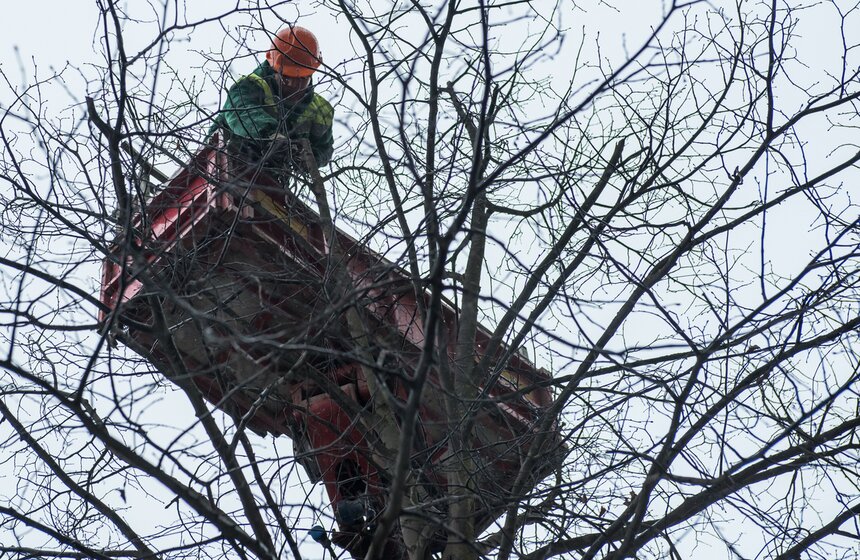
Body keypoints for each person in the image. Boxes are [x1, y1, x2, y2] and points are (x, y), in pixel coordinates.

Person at [210, 25, 334, 172]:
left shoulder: (321, 111)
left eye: (301, 79)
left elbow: (324, 149)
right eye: (286, 78)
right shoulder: (248, 87)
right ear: (274, 69)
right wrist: (270, 134)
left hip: (272, 175)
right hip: (223, 162)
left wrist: (307, 160)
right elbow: (241, 113)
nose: (293, 85)